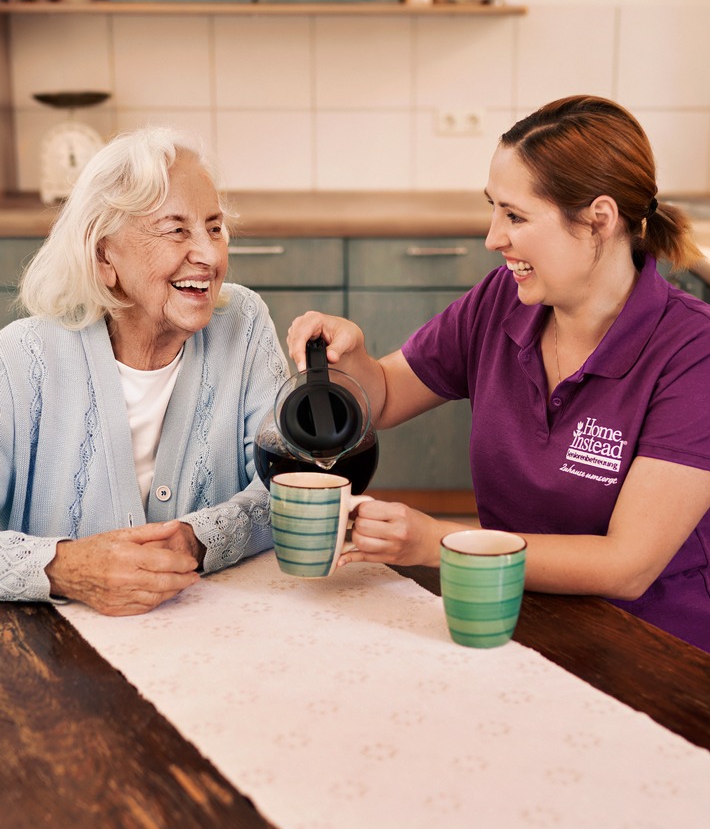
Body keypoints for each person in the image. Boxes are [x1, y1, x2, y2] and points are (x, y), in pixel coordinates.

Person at [288, 96, 710, 653]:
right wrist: (354, 357)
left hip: (653, 648)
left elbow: (625, 566)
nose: (492, 238)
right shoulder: (499, 303)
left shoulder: (693, 349)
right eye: (494, 209)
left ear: (599, 220)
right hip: (506, 615)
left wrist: (436, 541)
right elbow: (385, 397)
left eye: (514, 215)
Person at [0, 126, 289, 615]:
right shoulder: (22, 358)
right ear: (104, 256)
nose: (210, 255)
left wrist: (198, 540)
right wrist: (63, 567)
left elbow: (285, 488)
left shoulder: (243, 323)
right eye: (176, 229)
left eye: (214, 228)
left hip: (211, 636)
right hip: (55, 651)